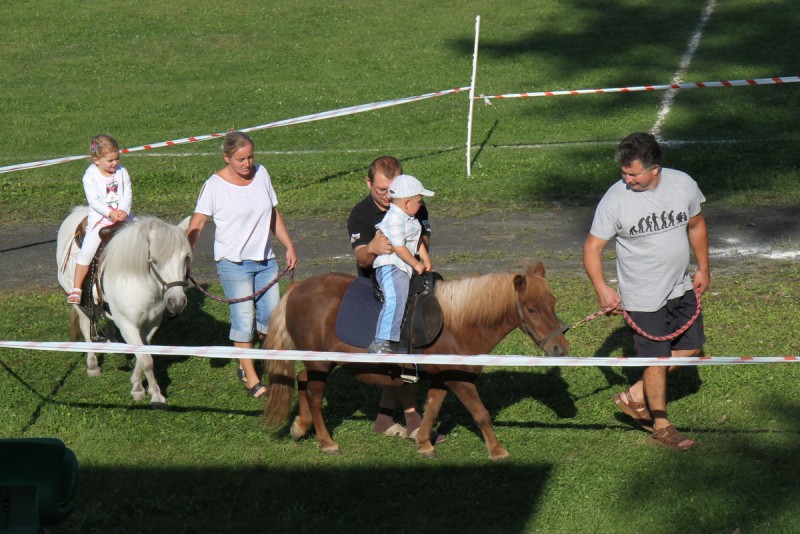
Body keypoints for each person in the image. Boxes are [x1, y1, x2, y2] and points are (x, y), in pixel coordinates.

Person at [583, 132, 709, 451]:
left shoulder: (683, 185)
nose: (627, 179)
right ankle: (662, 425)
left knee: (693, 347)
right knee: (656, 359)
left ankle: (635, 395)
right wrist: (602, 288)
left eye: (633, 173)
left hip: (681, 285)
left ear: (655, 169)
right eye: (623, 173)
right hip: (643, 296)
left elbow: (696, 225)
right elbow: (592, 248)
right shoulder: (615, 199)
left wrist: (704, 268)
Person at [187, 131, 297, 399]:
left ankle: (244, 357)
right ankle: (250, 375)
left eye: (250, 157)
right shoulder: (213, 186)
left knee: (269, 321)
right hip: (233, 264)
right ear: (226, 157)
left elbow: (272, 213)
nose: (247, 164)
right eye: (240, 159)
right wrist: (185, 253)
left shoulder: (262, 174)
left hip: (266, 261)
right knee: (243, 320)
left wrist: (288, 245)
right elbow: (198, 223)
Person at [347, 156, 438, 440]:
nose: (388, 196)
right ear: (368, 183)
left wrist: (422, 258)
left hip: (410, 269)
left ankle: (385, 418)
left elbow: (422, 239)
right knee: (402, 337)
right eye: (381, 190)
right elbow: (361, 258)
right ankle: (413, 417)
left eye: (393, 189)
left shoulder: (413, 202)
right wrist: (373, 247)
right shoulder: (360, 214)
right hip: (382, 276)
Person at [369, 174, 434, 354]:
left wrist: (425, 259)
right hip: (392, 267)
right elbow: (399, 248)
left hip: (404, 265)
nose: (421, 205)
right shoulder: (393, 219)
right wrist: (416, 264)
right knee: (395, 298)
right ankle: (380, 340)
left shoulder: (410, 219)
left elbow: (417, 240)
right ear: (406, 203)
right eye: (419, 201)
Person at [67, 134, 132, 304]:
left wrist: (124, 210)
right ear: (97, 160)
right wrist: (110, 213)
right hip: (101, 220)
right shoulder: (90, 176)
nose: (115, 163)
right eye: (110, 160)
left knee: (144, 236)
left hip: (124, 216)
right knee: (86, 253)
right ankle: (76, 288)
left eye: (117, 158)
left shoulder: (122, 171)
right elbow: (94, 201)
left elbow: (127, 194)